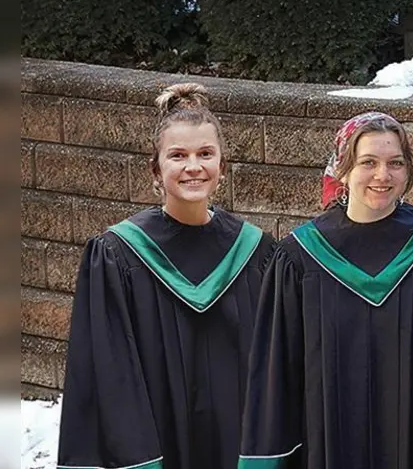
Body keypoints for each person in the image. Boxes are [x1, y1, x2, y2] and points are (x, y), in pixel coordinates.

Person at [57, 84, 276, 469]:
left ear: (222, 167)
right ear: (156, 170)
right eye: (178, 155)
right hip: (156, 443)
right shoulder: (117, 254)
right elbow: (108, 373)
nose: (194, 166)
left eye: (205, 154)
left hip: (237, 443)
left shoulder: (256, 251)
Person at [239, 112, 413, 467]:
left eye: (395, 162)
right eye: (368, 162)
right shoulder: (299, 258)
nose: (383, 175)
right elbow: (277, 376)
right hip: (327, 444)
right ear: (343, 169)